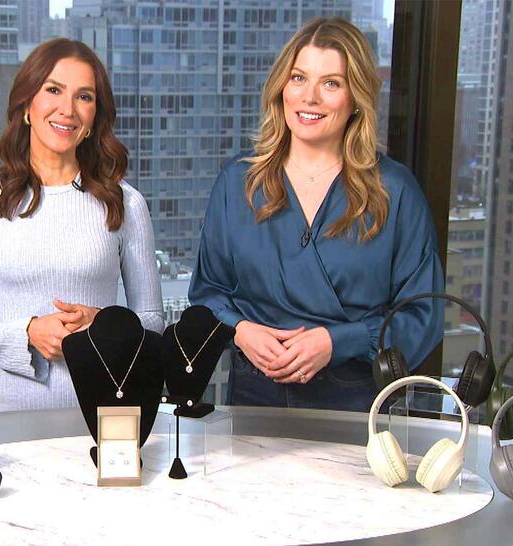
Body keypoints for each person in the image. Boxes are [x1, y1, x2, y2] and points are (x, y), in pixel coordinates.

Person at [189, 18, 444, 412]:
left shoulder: (395, 191)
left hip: (359, 401)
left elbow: (422, 316)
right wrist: (241, 331)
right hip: (256, 396)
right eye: (298, 78)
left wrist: (337, 342)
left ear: (355, 97)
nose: (310, 97)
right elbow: (208, 294)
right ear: (280, 89)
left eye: (331, 83)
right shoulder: (237, 182)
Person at [0, 38, 163, 412]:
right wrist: (28, 332)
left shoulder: (126, 203)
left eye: (84, 97)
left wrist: (105, 324)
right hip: (14, 424)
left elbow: (154, 322)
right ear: (27, 104)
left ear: (95, 118)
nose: (68, 110)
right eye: (54, 90)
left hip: (107, 415)